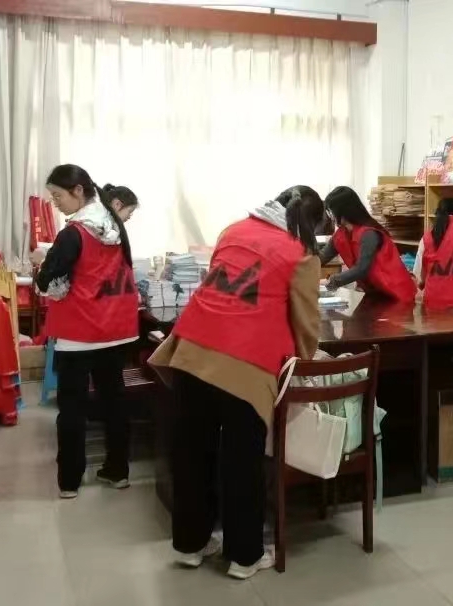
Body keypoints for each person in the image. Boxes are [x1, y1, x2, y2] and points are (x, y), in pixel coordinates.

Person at [150, 187, 325, 580]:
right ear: (310, 223)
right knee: (242, 461)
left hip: (192, 351)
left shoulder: (234, 230)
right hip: (246, 363)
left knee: (192, 453)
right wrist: (305, 360)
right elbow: (305, 320)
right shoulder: (301, 254)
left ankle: (191, 545)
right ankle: (244, 557)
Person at [35, 166, 140, 500]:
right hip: (116, 328)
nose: (56, 203)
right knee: (114, 402)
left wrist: (42, 266)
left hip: (79, 332)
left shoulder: (75, 233)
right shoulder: (115, 227)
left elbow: (47, 281)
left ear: (78, 191)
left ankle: (70, 480)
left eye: (58, 196)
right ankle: (117, 471)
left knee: (73, 407)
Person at [319, 186, 417, 302]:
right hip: (376, 293)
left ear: (343, 211)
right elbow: (321, 257)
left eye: (331, 212)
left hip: (397, 293)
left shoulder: (369, 234)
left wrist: (331, 281)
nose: (330, 217)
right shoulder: (340, 235)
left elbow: (361, 269)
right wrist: (303, 264)